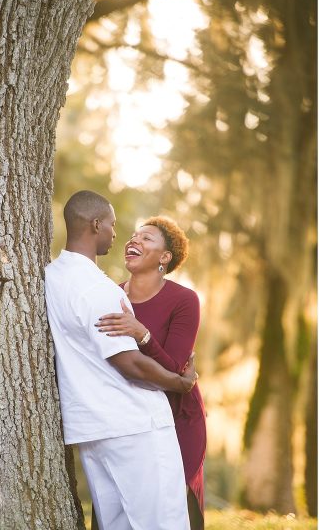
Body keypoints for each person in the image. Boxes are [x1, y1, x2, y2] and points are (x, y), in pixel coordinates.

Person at [45, 191, 196, 530]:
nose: (116, 234)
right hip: (136, 426)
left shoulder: (51, 277)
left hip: (91, 428)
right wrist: (180, 383)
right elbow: (129, 363)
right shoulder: (98, 289)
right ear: (96, 225)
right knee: (164, 524)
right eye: (113, 226)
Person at [95, 216, 206, 529]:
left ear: (165, 257)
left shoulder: (184, 300)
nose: (134, 241)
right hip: (124, 418)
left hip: (177, 417)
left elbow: (174, 370)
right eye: (133, 236)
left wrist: (141, 333)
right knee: (119, 506)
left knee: (171, 510)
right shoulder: (109, 295)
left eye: (146, 238)